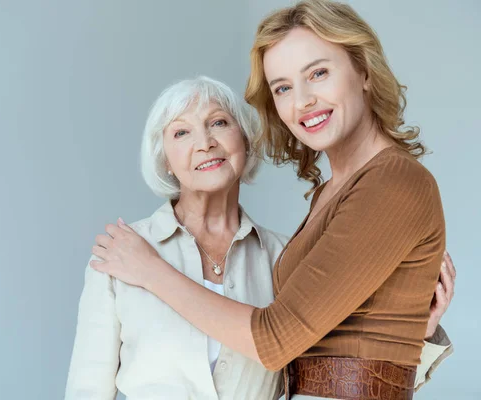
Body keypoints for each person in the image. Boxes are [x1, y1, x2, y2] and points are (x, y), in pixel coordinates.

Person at [89, 1, 455, 399]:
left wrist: (151, 271)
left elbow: (277, 341)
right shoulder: (333, 191)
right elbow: (321, 346)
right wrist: (411, 331)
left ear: (363, 71)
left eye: (318, 73)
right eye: (283, 87)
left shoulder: (391, 182)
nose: (303, 101)